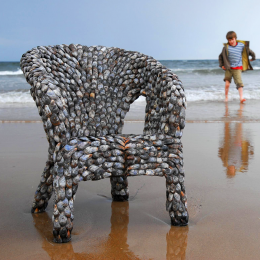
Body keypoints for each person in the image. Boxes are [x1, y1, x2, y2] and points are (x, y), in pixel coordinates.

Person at [218, 31, 256, 103]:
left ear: (235, 38)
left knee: (239, 83)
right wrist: (222, 65)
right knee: (227, 84)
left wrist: (253, 57)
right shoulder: (226, 47)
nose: (231, 41)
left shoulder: (241, 46)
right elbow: (220, 56)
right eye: (229, 40)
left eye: (232, 39)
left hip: (238, 68)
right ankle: (226, 97)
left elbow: (249, 51)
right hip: (228, 68)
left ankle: (241, 98)